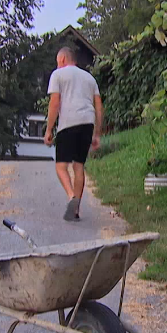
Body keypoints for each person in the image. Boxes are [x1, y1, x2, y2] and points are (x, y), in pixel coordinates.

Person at [44, 47, 103, 221]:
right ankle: (75, 210)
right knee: (79, 166)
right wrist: (97, 133)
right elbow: (99, 107)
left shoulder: (58, 75)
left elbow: (55, 103)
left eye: (57, 61)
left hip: (68, 123)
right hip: (87, 122)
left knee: (61, 166)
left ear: (62, 59)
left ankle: (71, 197)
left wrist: (49, 130)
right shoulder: (89, 78)